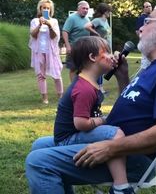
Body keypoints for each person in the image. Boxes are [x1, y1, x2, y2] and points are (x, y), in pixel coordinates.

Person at [25, 3, 156, 194]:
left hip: (129, 157)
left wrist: (111, 148)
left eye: (147, 22)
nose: (140, 27)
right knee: (38, 145)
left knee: (38, 162)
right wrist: (123, 76)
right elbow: (135, 104)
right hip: (114, 143)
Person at [54, 36, 129, 191]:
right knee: (115, 134)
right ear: (93, 57)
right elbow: (80, 123)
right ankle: (121, 186)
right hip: (67, 139)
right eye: (107, 52)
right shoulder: (84, 89)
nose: (111, 56)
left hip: (73, 134)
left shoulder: (89, 82)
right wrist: (102, 120)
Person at [29, 0, 63, 104]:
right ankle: (45, 97)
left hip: (51, 51)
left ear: (50, 9)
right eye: (44, 8)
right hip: (39, 51)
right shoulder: (34, 21)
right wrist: (40, 25)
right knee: (41, 75)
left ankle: (61, 96)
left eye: (48, 8)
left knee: (57, 73)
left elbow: (54, 37)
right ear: (40, 8)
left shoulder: (54, 21)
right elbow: (33, 35)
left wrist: (49, 26)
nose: (46, 10)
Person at [85, 3, 112, 94]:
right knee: (99, 65)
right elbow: (86, 26)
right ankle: (98, 87)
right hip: (98, 46)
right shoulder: (97, 20)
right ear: (104, 11)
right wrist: (96, 34)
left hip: (105, 46)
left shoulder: (105, 21)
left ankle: (100, 87)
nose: (109, 13)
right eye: (108, 11)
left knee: (103, 66)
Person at [62, 0, 90, 82]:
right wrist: (68, 46)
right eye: (83, 8)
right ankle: (73, 88)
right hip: (74, 48)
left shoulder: (87, 19)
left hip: (85, 48)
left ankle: (81, 87)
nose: (85, 10)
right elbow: (65, 31)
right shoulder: (72, 18)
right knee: (73, 69)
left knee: (84, 69)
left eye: (87, 9)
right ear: (78, 9)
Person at [135, 2, 153, 71]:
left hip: (153, 43)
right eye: (147, 7)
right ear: (143, 9)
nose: (149, 8)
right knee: (146, 63)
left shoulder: (153, 18)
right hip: (146, 44)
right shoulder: (142, 18)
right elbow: (137, 31)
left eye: (150, 6)